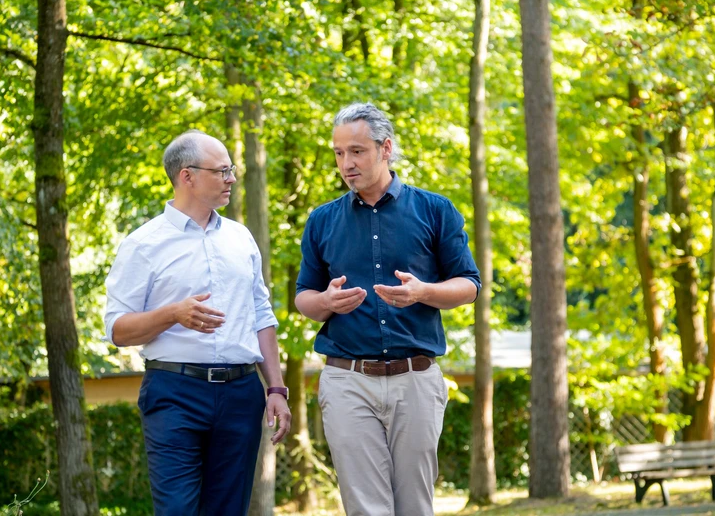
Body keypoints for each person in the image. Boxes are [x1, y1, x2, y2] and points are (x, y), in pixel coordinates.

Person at [295, 103, 481, 516]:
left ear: (386, 149)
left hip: (415, 379)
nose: (347, 163)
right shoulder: (322, 220)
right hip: (347, 381)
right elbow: (303, 297)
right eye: (339, 153)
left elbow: (469, 285)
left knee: (414, 505)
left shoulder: (435, 210)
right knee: (365, 508)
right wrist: (324, 302)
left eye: (357, 151)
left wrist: (424, 292)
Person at [103, 130, 291, 516]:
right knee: (177, 510)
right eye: (221, 171)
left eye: (232, 170)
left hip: (241, 393)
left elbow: (261, 314)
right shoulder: (143, 244)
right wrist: (172, 313)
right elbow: (117, 329)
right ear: (186, 176)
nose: (232, 179)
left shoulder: (241, 238)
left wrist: (276, 387)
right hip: (174, 393)